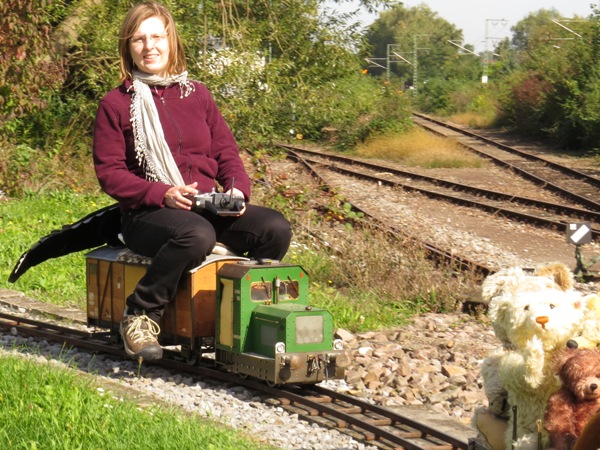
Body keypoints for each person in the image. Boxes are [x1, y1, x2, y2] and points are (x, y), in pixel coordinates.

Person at [93, 1, 292, 361]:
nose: (149, 46)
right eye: (139, 39)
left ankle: (239, 318)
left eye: (157, 37)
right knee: (196, 235)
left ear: (171, 41)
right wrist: (162, 193)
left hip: (205, 207)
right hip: (147, 214)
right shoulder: (115, 104)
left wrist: (236, 189)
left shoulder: (197, 94)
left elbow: (226, 152)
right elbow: (110, 174)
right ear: (128, 47)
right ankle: (139, 314)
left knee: (274, 229)